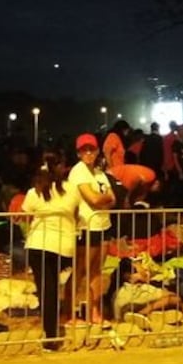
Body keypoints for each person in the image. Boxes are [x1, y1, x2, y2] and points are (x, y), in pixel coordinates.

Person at [21, 153, 79, 350]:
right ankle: (54, 329)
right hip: (62, 245)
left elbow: (24, 215)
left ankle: (51, 333)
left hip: (38, 243)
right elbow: (76, 213)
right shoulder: (71, 190)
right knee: (54, 288)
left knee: (46, 289)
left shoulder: (33, 192)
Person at [68, 133, 116, 327]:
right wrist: (102, 198)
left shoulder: (99, 173)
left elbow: (112, 199)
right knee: (79, 271)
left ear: (97, 151)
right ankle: (69, 313)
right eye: (84, 150)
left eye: (91, 149)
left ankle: (94, 311)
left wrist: (101, 198)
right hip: (87, 226)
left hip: (103, 225)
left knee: (97, 271)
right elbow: (94, 199)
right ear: (79, 153)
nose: (88, 153)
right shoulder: (78, 171)